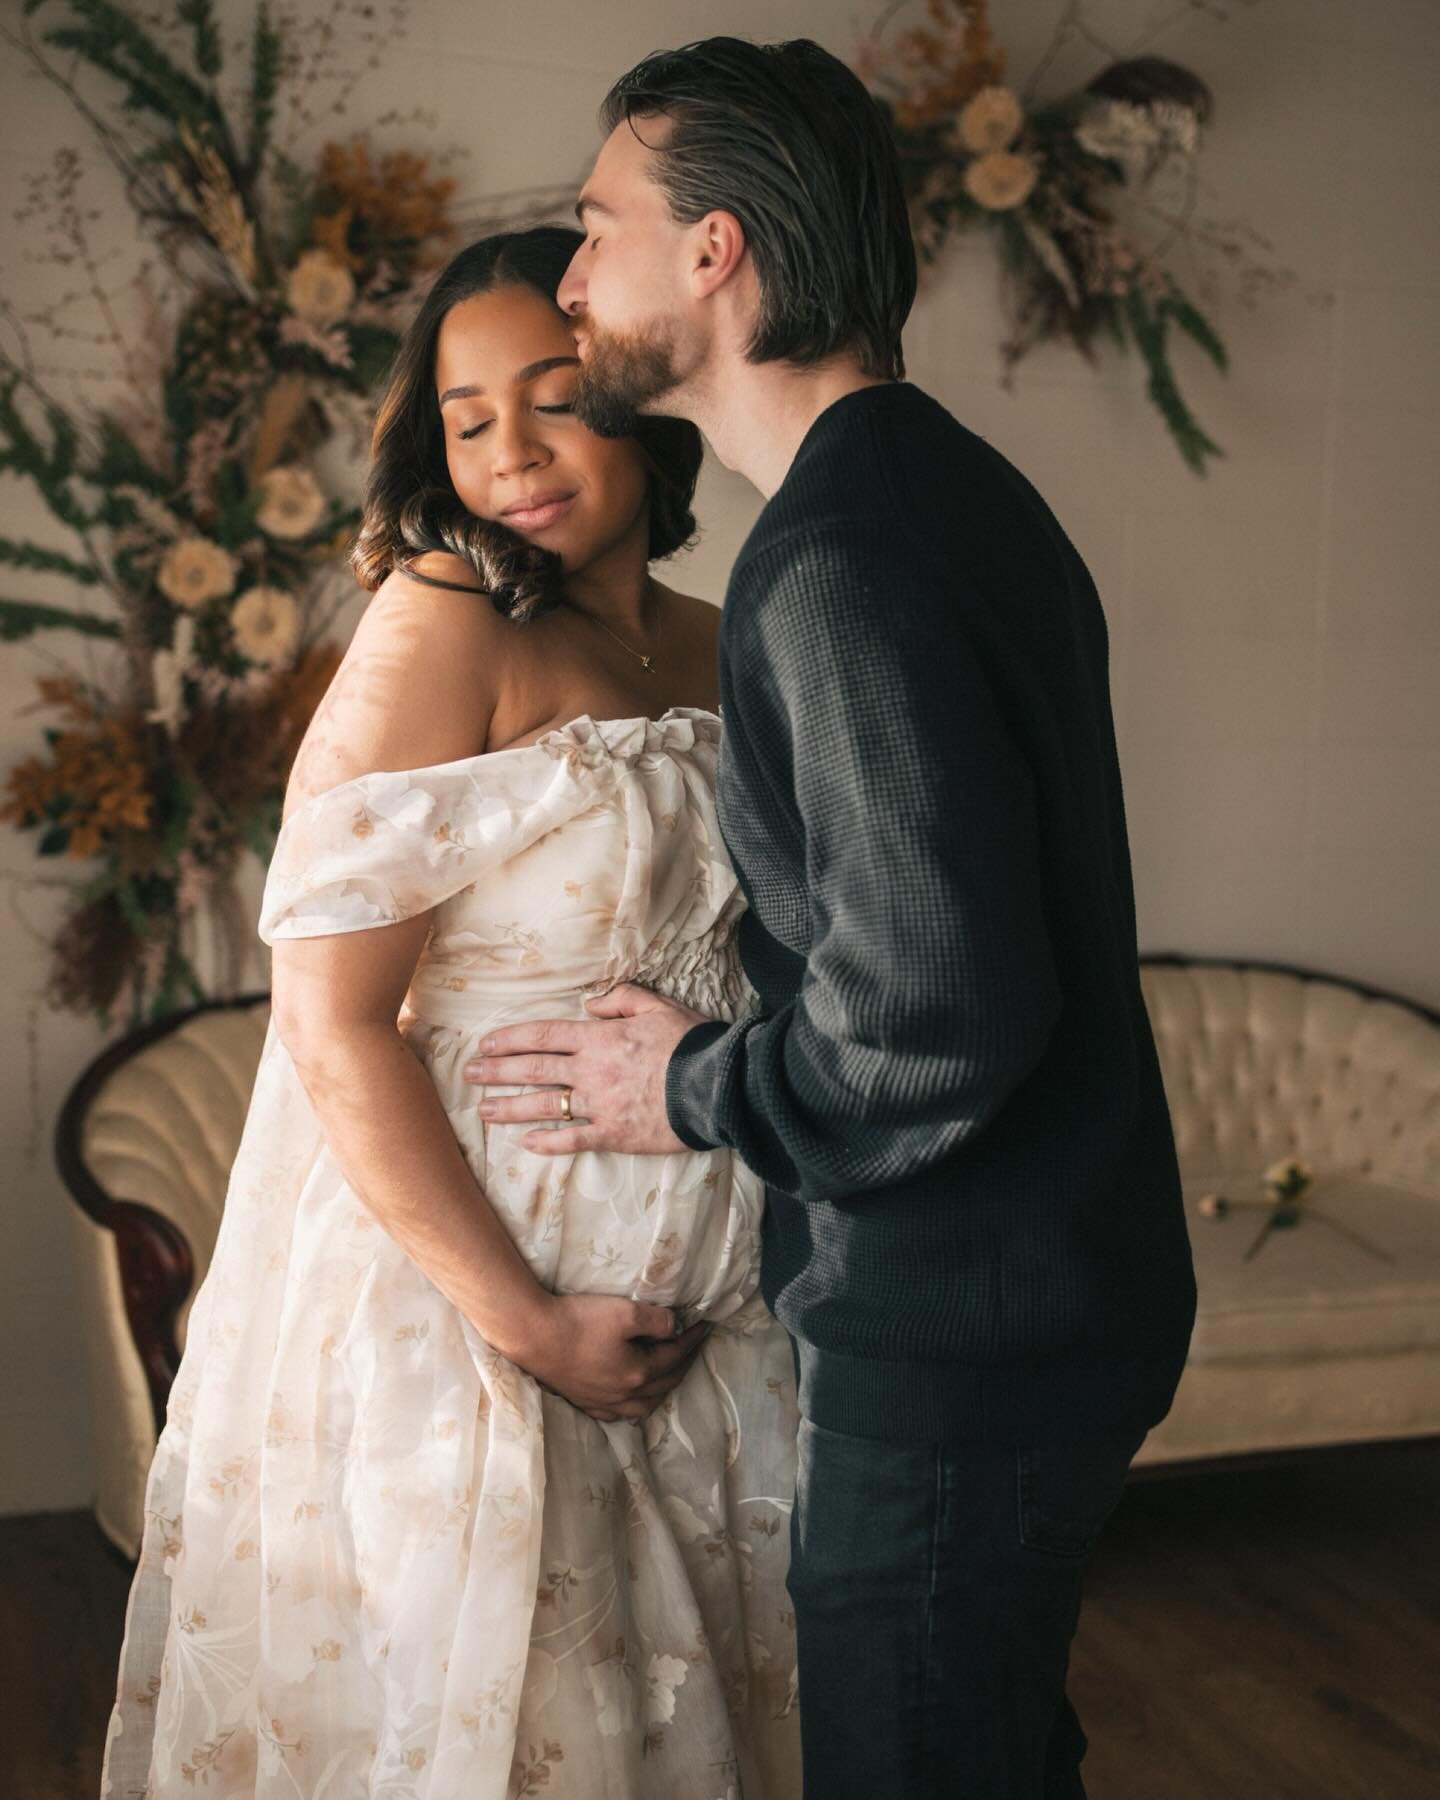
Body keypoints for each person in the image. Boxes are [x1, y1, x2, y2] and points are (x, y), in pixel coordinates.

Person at [465, 39, 1199, 1800]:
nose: (570, 285)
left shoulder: (842, 562)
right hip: (1039, 1301)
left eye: (595, 227)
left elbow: (929, 1011)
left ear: (716, 251)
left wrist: (689, 1085)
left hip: (964, 1328)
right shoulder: (939, 490)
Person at [101, 225, 801, 1800]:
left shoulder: (713, 639)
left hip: (715, 1305)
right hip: (478, 1310)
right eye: (467, 419)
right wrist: (528, 1319)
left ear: (641, 389)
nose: (510, 456)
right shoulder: (444, 620)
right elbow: (334, 1020)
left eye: (553, 397)